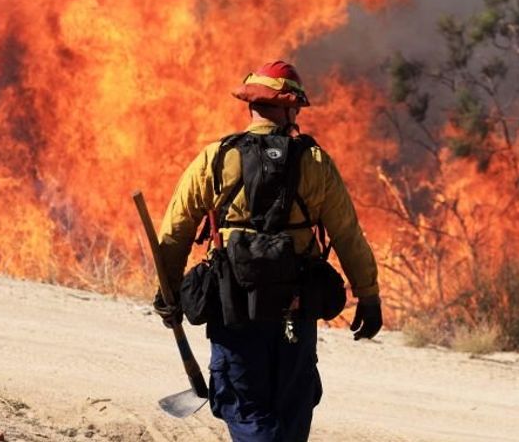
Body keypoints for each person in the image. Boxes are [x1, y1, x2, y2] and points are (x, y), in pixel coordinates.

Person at [152, 60, 382, 442]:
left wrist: (168, 291)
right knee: (292, 410)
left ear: (252, 106)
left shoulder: (216, 158)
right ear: (290, 109)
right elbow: (347, 234)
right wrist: (368, 294)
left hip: (234, 311)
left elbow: (175, 231)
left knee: (245, 405)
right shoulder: (315, 162)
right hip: (295, 312)